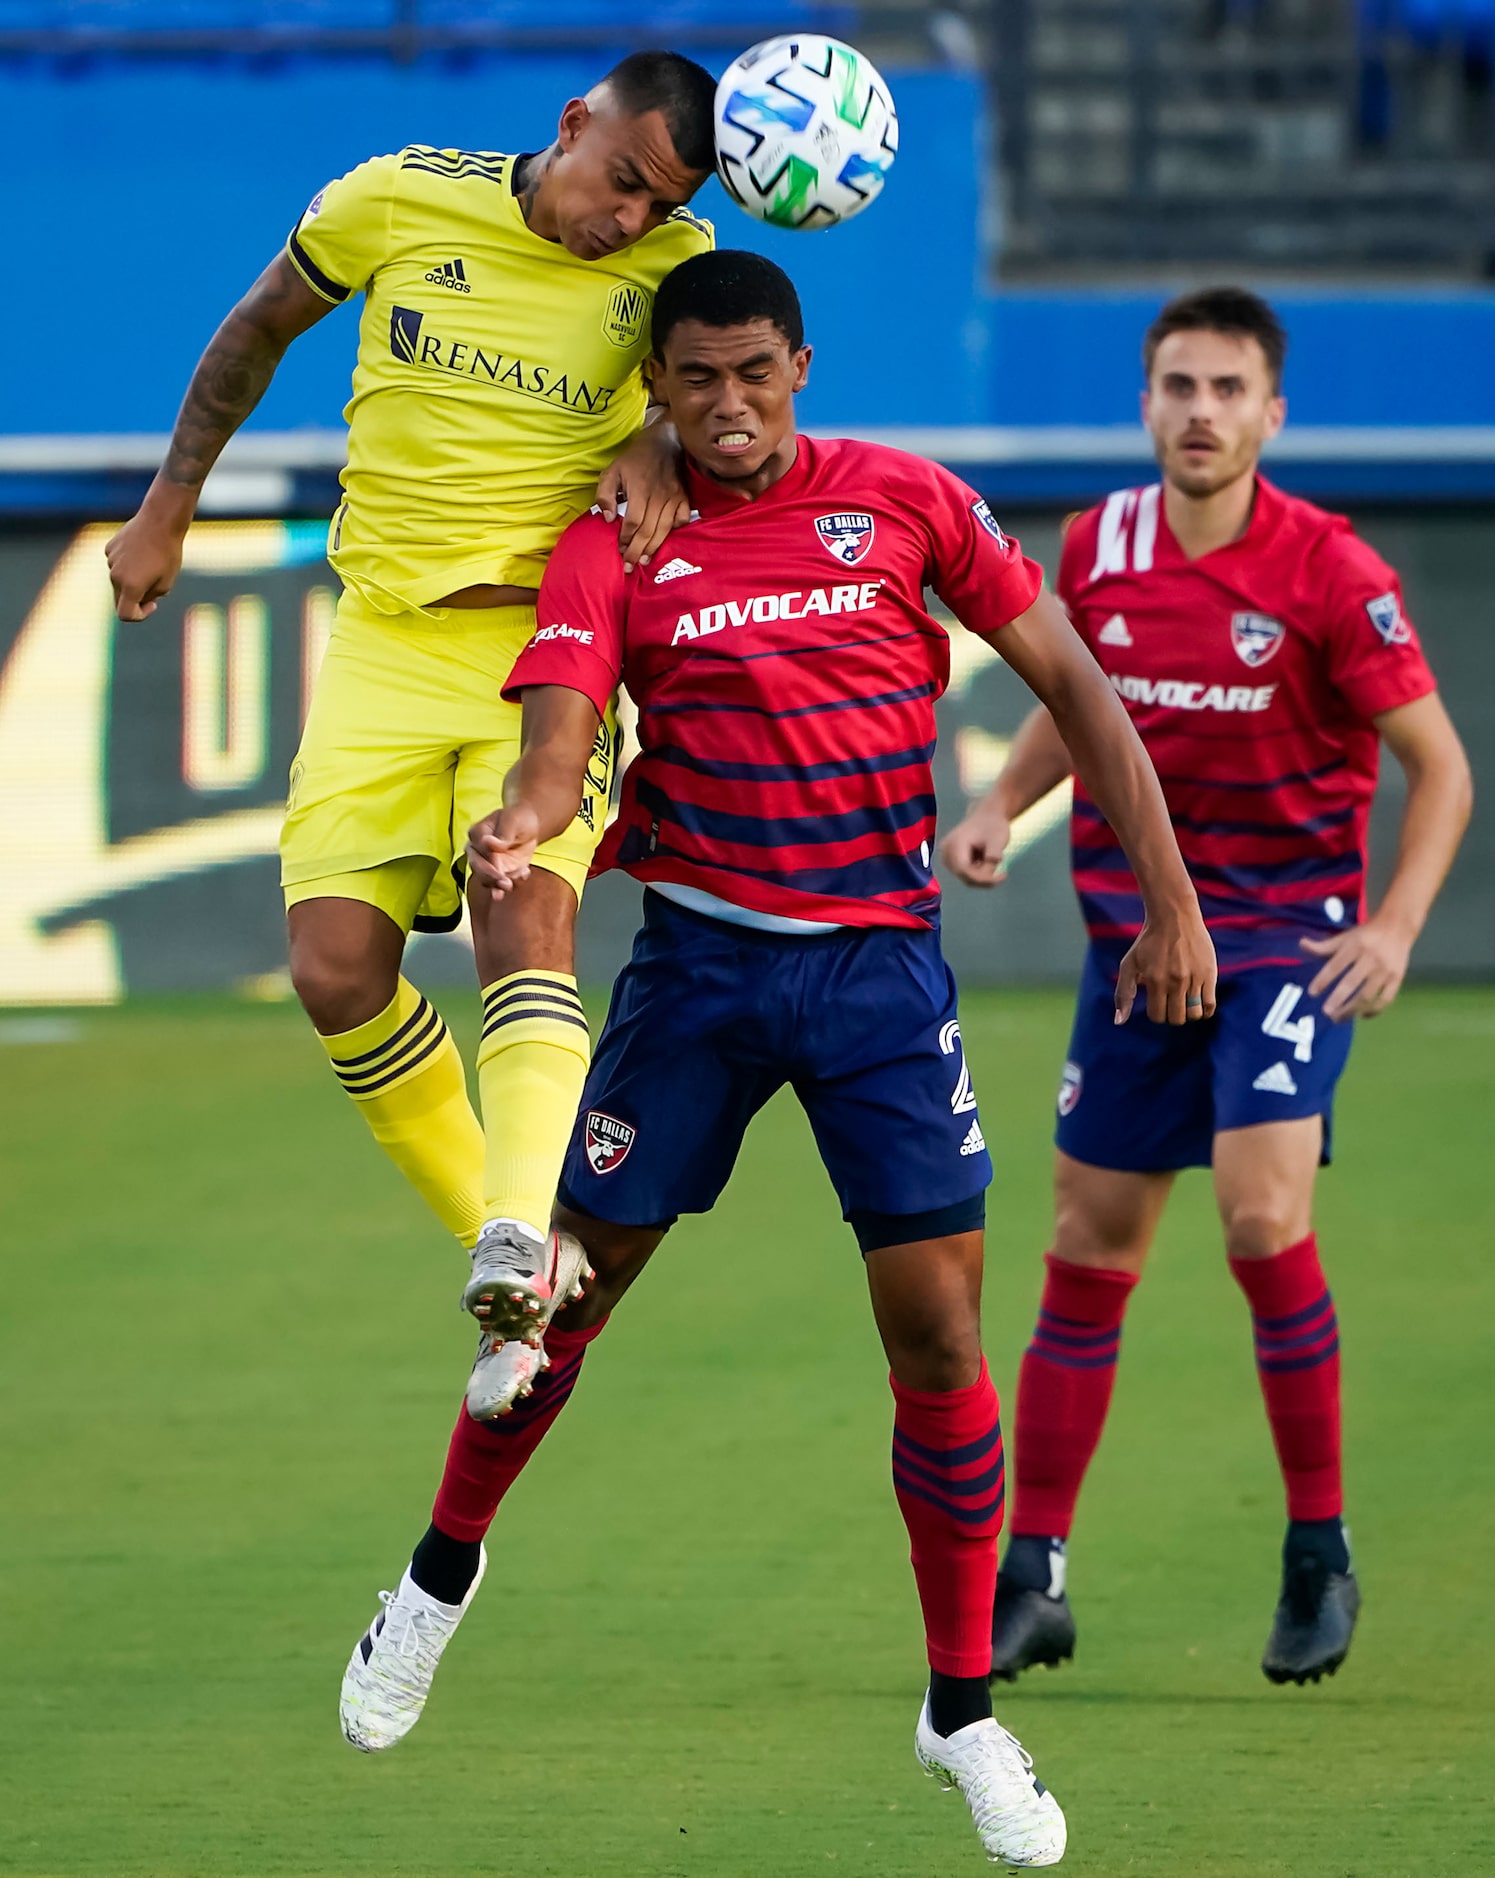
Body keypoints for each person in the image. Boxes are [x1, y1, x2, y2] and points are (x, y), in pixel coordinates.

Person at [337, 249, 1218, 1870]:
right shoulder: (618, 534)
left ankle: (961, 1709)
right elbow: (560, 721)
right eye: (695, 381)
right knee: (559, 1299)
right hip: (699, 970)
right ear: (657, 388)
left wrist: (1169, 898)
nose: (728, 406)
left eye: (754, 373)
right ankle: (434, 1580)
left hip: (880, 974)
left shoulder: (908, 503)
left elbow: (1078, 685)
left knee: (940, 1329)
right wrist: (533, 811)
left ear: (801, 365)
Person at [103, 53, 719, 1414]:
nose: (627, 220)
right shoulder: (392, 200)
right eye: (620, 180)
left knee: (523, 908)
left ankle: (511, 1233)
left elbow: (724, 412)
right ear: (573, 123)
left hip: (543, 643)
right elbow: (257, 330)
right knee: (333, 973)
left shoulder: (679, 264)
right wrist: (169, 504)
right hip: (382, 636)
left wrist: (663, 449)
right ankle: (525, 1263)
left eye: (655, 201)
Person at [942, 286, 1473, 1686]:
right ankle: (1036, 1571)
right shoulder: (1100, 547)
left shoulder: (1332, 571)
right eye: (1178, 386)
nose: (1200, 412)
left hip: (1289, 938)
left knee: (1256, 1214)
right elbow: (1081, 707)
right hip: (1137, 949)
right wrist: (1002, 802)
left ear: (1272, 413)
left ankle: (1318, 1551)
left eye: (1229, 389)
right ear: (1146, 402)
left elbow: (1443, 766)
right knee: (1088, 1240)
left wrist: (1399, 924)